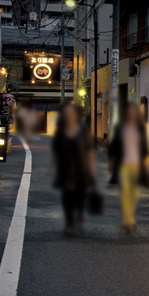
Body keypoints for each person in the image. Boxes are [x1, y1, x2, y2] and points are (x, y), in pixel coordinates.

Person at [51, 101, 96, 236]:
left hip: (81, 168)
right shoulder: (61, 131)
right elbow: (56, 150)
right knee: (67, 196)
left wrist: (92, 167)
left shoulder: (83, 130)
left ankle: (80, 213)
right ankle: (69, 223)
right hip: (65, 168)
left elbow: (89, 150)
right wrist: (51, 166)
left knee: (80, 194)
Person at [108, 102, 149, 235]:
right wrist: (112, 160)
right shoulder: (121, 128)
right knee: (125, 190)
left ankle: (129, 215)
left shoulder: (140, 128)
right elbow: (114, 145)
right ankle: (128, 218)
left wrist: (148, 162)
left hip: (137, 164)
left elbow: (145, 147)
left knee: (134, 192)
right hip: (124, 164)